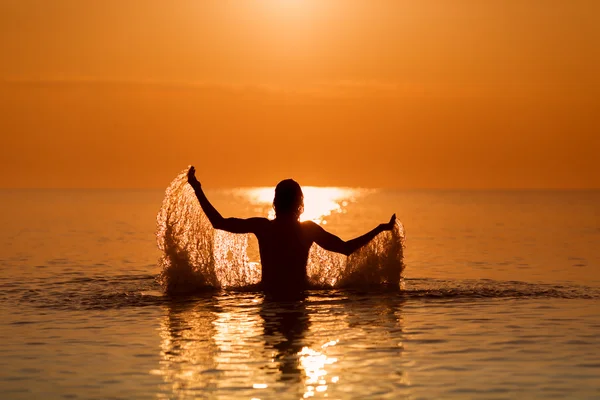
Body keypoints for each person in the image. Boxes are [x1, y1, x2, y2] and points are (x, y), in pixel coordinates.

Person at [187, 166, 396, 296]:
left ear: (276, 202)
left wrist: (198, 189)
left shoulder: (263, 227)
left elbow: (219, 222)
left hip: (267, 299)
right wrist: (379, 229)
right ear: (300, 204)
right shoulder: (308, 230)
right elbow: (347, 248)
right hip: (299, 299)